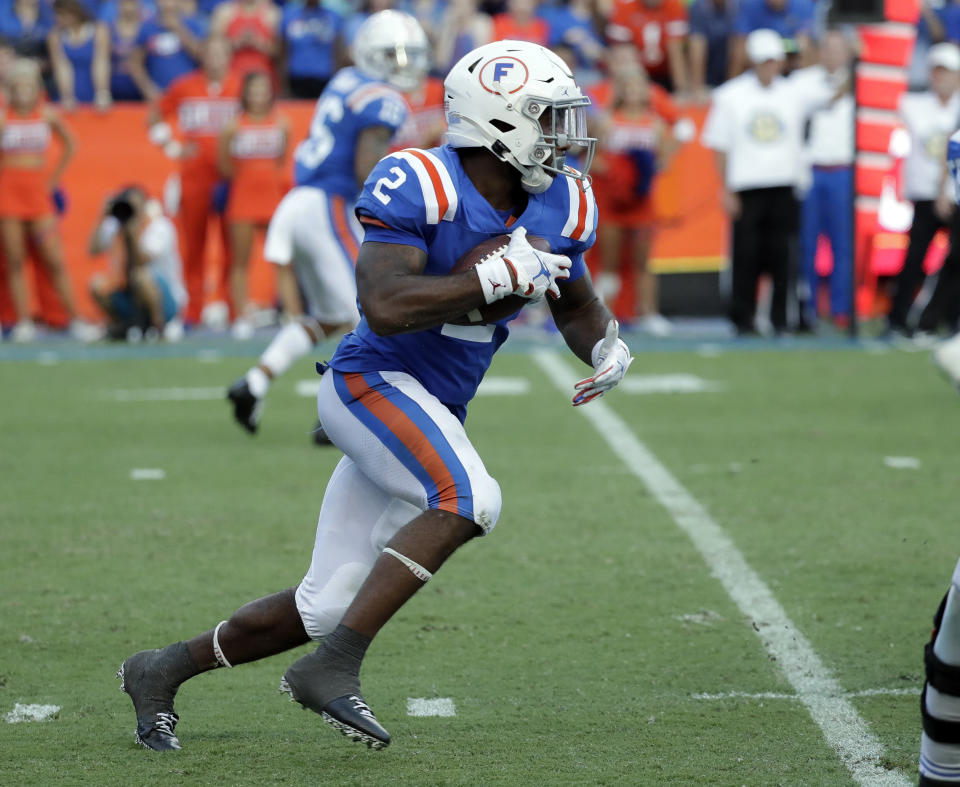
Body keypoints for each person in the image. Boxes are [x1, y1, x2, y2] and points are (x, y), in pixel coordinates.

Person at [118, 37, 632, 753]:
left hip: (430, 406)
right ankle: (333, 669)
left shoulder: (563, 202)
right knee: (469, 497)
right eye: (547, 118)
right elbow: (384, 302)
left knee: (324, 604)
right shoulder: (418, 178)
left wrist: (605, 342)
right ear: (499, 120)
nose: (563, 136)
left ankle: (160, 668)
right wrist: (481, 281)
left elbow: (574, 301)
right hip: (369, 384)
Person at [226, 10, 427, 437]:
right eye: (394, 55)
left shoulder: (346, 80)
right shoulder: (383, 100)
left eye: (408, 55)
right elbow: (365, 172)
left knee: (331, 316)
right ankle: (339, 412)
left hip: (300, 202)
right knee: (372, 307)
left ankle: (255, 382)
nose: (402, 65)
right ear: (373, 54)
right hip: (328, 206)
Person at [147, 34, 240, 327]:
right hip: (194, 177)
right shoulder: (185, 86)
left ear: (229, 55)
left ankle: (233, 307)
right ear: (202, 56)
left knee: (232, 245)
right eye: (210, 52)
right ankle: (194, 309)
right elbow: (154, 116)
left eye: (220, 52)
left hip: (230, 176)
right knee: (194, 245)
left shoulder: (240, 86)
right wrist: (172, 146)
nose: (215, 59)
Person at [0, 59, 96, 342]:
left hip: (38, 196)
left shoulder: (48, 115)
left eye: (28, 86)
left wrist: (53, 178)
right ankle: (23, 322)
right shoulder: (4, 117)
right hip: (8, 196)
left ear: (37, 88)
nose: (23, 93)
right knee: (14, 260)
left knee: (54, 258)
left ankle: (75, 318)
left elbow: (71, 143)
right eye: (17, 87)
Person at [592, 66, 677, 334]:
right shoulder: (608, 121)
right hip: (613, 203)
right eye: (629, 88)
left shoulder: (656, 124)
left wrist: (643, 170)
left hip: (642, 203)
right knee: (610, 261)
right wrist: (619, 173)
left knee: (643, 261)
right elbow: (594, 160)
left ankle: (648, 313)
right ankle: (602, 314)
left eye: (639, 88)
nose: (634, 93)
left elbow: (664, 161)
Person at [886, 43, 960, 339]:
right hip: (926, 193)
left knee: (956, 260)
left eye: (948, 72)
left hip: (954, 194)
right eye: (937, 71)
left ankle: (947, 318)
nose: (942, 78)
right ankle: (899, 318)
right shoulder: (913, 104)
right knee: (914, 258)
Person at [218, 70, 289, 338]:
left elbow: (281, 160)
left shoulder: (282, 123)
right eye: (254, 90)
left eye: (264, 89)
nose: (259, 95)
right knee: (241, 260)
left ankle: (285, 309)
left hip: (272, 198)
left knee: (280, 257)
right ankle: (242, 316)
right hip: (243, 198)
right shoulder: (233, 126)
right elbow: (224, 165)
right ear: (245, 94)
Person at [794, 29, 855, 329]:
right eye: (827, 48)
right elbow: (817, 104)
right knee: (807, 242)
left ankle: (843, 308)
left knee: (844, 244)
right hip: (811, 170)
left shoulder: (861, 81)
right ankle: (808, 309)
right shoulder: (803, 82)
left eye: (838, 48)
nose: (832, 55)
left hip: (844, 170)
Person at [89, 185, 187, 339]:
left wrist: (132, 234)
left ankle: (159, 327)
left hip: (163, 299)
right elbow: (92, 250)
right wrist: (102, 216)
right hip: (128, 294)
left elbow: (142, 261)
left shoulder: (159, 226)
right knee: (97, 283)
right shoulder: (116, 226)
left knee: (140, 277)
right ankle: (122, 326)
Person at [606, 0, 691, 95]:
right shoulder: (623, 5)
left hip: (667, 71)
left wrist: (681, 89)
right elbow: (620, 49)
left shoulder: (673, 4)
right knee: (624, 57)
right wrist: (635, 84)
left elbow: (676, 48)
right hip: (637, 71)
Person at [128, 0, 207, 101]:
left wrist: (178, 28)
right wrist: (149, 90)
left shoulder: (193, 25)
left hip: (189, 95)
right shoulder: (147, 28)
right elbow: (135, 64)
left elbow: (202, 56)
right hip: (160, 95)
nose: (168, 3)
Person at [279, 0, 344, 99]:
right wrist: (283, 87)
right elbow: (283, 53)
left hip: (324, 80)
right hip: (296, 80)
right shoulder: (290, 16)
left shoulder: (334, 17)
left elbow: (338, 54)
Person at [729, 0, 815, 76]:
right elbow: (740, 49)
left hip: (790, 65)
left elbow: (803, 45)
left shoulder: (803, 4)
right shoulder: (750, 5)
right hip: (757, 66)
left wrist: (780, 55)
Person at [47, 0, 103, 109]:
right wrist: (67, 96)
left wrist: (102, 92)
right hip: (67, 94)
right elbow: (61, 67)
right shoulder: (55, 36)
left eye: (62, 14)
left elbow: (101, 62)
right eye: (56, 14)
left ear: (74, 13)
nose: (57, 18)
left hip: (92, 89)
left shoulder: (98, 31)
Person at [210, 0, 280, 84]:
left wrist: (258, 43)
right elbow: (212, 49)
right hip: (232, 77)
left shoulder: (271, 13)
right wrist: (237, 42)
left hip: (263, 79)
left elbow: (280, 52)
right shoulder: (225, 12)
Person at [688, 0, 737, 100]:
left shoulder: (738, 6)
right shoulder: (699, 7)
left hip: (728, 72)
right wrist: (697, 88)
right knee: (696, 44)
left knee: (737, 43)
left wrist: (732, 89)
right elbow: (697, 47)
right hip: (707, 72)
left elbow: (738, 48)